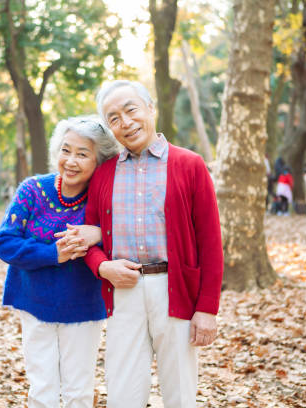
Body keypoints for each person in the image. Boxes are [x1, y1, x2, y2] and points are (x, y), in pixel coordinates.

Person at [77, 80, 223, 408]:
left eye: (131, 110)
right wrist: (103, 266)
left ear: (150, 109)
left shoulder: (190, 165)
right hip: (123, 292)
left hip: (176, 291)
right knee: (123, 395)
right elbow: (89, 237)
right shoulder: (103, 174)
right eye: (113, 118)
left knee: (180, 395)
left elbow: (211, 242)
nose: (125, 122)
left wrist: (207, 308)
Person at [0, 116, 120, 408]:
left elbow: (121, 239)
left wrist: (98, 233)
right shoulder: (32, 190)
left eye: (82, 153)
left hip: (83, 306)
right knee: (42, 389)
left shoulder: (103, 199)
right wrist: (54, 253)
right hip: (35, 303)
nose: (71, 160)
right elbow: (5, 242)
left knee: (78, 390)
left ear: (99, 161)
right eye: (66, 150)